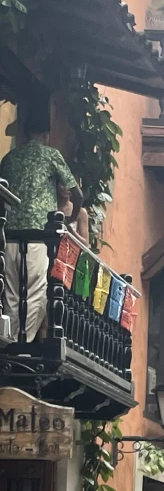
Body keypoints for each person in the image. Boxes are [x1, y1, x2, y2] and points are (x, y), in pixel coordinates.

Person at [0, 102, 87, 343]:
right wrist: (71, 217)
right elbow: (76, 193)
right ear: (46, 135)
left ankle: (6, 344)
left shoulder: (9, 159)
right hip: (39, 237)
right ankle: (22, 345)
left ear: (25, 133)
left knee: (11, 294)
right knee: (37, 292)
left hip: (8, 237)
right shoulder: (51, 155)